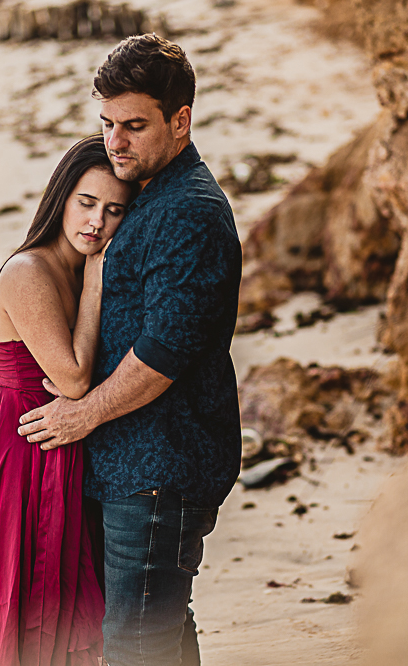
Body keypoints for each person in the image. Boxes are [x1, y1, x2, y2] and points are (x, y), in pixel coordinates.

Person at [19, 34, 243, 666]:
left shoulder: (188, 212)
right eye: (107, 123)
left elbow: (164, 353)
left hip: (160, 471)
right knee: (163, 639)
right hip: (138, 468)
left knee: (134, 650)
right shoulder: (152, 196)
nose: (115, 140)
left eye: (135, 125)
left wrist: (80, 414)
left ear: (180, 121)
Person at [0, 134, 137, 666]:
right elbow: (71, 381)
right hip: (24, 464)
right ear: (61, 198)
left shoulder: (73, 267)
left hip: (70, 459)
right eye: (86, 203)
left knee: (68, 628)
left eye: (114, 211)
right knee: (25, 624)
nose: (96, 222)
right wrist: (94, 284)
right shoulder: (28, 273)